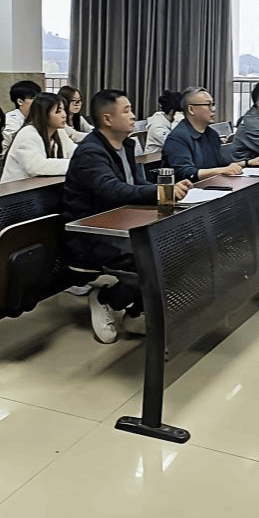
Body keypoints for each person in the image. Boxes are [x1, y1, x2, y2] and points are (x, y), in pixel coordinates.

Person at [62, 89, 192, 343]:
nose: (133, 116)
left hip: (125, 225)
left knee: (178, 245)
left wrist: (169, 192)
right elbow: (113, 191)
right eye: (127, 111)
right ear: (107, 119)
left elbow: (136, 185)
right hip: (90, 235)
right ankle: (106, 299)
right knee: (150, 257)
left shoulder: (127, 145)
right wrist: (161, 192)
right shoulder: (91, 152)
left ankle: (135, 313)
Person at [163, 87, 259, 181]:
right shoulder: (177, 138)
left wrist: (248, 163)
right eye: (208, 105)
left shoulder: (211, 134)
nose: (213, 109)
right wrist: (222, 170)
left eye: (213, 104)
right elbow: (186, 173)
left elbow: (220, 163)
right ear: (191, 109)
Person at [1, 92, 76, 183]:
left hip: (42, 186)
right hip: (17, 189)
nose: (64, 115)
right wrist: (76, 164)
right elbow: (37, 167)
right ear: (44, 114)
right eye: (58, 111)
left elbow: (75, 152)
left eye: (64, 110)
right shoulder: (28, 133)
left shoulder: (59, 132)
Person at [2, 80, 41, 150]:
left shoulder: (37, 117)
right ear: (20, 101)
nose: (38, 102)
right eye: (33, 99)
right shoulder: (11, 119)